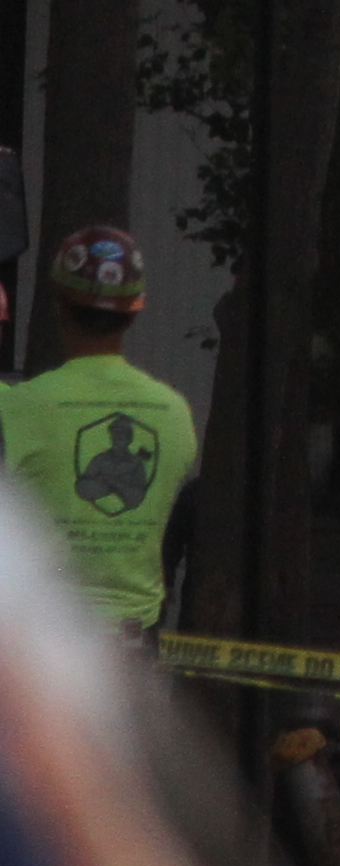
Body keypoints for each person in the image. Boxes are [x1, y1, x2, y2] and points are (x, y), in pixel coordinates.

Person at [2, 224, 195, 634]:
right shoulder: (175, 414)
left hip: (46, 641)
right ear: (134, 312)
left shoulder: (18, 407)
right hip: (136, 638)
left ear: (58, 305)